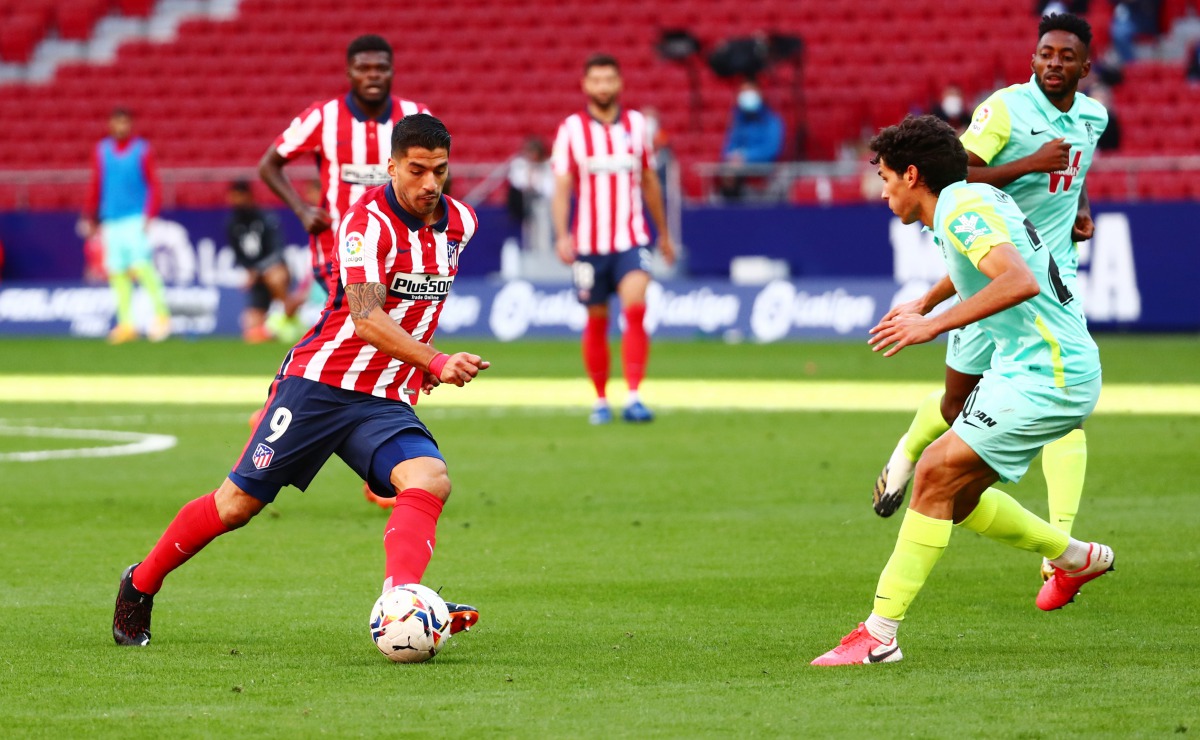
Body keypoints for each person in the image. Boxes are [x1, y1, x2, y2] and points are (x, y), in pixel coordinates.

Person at [112, 114, 487, 648]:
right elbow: (366, 317)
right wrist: (432, 360)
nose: (430, 183)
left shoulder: (462, 224)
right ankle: (140, 583)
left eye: (440, 170)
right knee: (235, 506)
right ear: (391, 166)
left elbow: (422, 298)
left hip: (381, 396)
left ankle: (402, 603)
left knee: (429, 478)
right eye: (417, 170)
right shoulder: (364, 225)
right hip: (318, 385)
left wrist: (415, 364)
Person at [812, 115, 1114, 666]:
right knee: (956, 499)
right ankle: (1076, 558)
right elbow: (974, 261)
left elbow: (1018, 279)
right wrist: (925, 301)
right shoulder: (967, 200)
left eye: (885, 178)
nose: (882, 192)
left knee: (933, 471)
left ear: (912, 175)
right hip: (1030, 367)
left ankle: (879, 634)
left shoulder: (961, 209)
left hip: (1051, 373)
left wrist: (931, 325)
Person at [874, 13, 1107, 582]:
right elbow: (960, 172)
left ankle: (1062, 551)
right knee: (956, 414)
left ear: (1085, 66)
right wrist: (1030, 165)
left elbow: (1070, 177)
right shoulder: (1003, 112)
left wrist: (1077, 206)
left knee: (1055, 409)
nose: (1054, 63)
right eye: (1045, 53)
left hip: (1040, 273)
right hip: (993, 266)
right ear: (1033, 59)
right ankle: (912, 450)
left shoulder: (1093, 117)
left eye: (1066, 55)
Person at [551, 53, 676, 424]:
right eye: (596, 80)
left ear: (619, 83)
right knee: (597, 320)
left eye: (609, 79)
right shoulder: (571, 130)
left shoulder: (637, 125)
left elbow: (649, 180)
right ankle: (601, 399)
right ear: (585, 85)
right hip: (589, 245)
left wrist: (664, 233)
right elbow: (562, 187)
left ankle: (634, 396)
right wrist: (561, 234)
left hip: (631, 239)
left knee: (635, 307)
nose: (603, 86)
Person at [259, 34, 430, 296]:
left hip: (401, 247)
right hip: (339, 247)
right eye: (363, 68)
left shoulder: (415, 117)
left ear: (392, 72)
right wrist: (302, 210)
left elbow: (440, 173)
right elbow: (269, 165)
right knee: (365, 313)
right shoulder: (323, 117)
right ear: (349, 73)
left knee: (383, 320)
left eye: (381, 68)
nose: (373, 75)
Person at [80, 107, 171, 344]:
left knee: (142, 267)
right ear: (110, 125)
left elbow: (153, 183)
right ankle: (126, 323)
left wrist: (149, 214)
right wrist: (90, 214)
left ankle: (161, 316)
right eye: (117, 122)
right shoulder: (101, 150)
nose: (121, 127)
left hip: (134, 218)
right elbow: (96, 183)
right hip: (111, 219)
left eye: (125, 122)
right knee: (117, 272)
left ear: (130, 125)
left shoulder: (142, 149)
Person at [225, 180, 307, 343]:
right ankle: (275, 326)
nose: (234, 201)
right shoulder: (232, 224)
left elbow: (277, 250)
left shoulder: (266, 217)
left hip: (274, 269)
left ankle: (288, 314)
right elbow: (239, 255)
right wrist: (250, 271)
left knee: (274, 277)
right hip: (257, 279)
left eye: (238, 196)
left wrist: (257, 270)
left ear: (247, 196)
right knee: (251, 332)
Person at [717, 79, 785, 201]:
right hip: (741, 175)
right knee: (728, 170)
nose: (747, 95)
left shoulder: (772, 121)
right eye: (744, 92)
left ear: (759, 94)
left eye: (750, 91)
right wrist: (733, 157)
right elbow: (728, 149)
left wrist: (745, 156)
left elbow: (771, 150)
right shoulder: (738, 121)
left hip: (765, 173)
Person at [506, 137, 555, 254]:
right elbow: (517, 182)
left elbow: (549, 188)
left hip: (542, 203)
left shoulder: (547, 166)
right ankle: (530, 252)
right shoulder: (520, 164)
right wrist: (529, 176)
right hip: (525, 202)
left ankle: (544, 254)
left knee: (544, 230)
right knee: (529, 231)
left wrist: (536, 183)